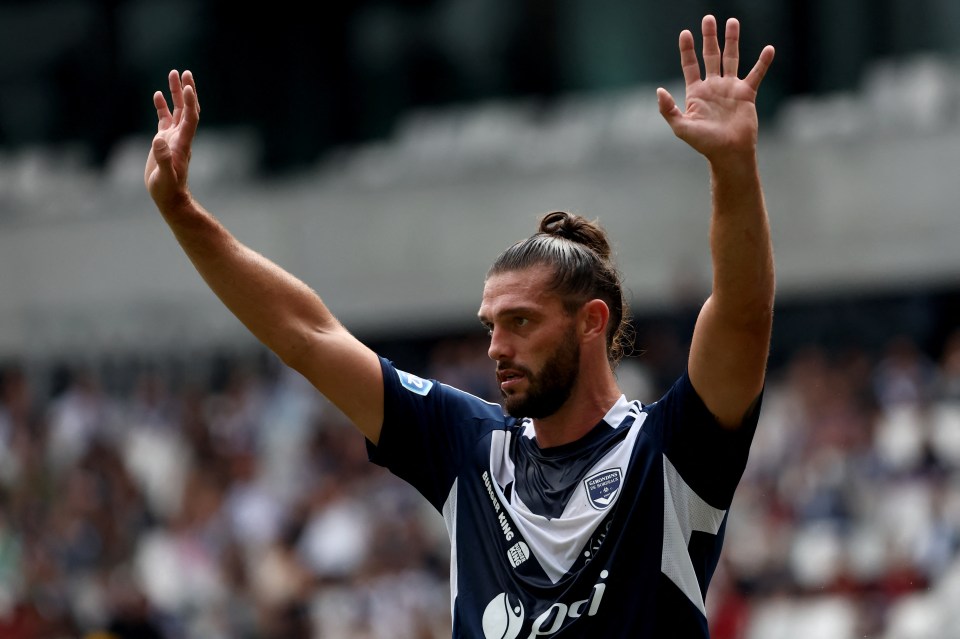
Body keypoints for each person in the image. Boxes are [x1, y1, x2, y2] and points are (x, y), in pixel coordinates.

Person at [145, 14, 775, 639]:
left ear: (592, 322)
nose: (496, 347)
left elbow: (743, 317)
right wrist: (182, 214)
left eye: (521, 321)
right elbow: (307, 335)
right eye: (491, 325)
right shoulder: (470, 447)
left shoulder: (669, 452)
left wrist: (733, 166)